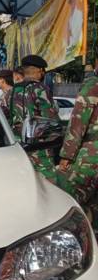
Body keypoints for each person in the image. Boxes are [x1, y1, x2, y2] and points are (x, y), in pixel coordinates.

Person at [10, 54, 60, 182]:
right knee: (49, 185)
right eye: (43, 71)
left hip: (18, 145)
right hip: (39, 147)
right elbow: (51, 119)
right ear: (39, 71)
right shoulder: (40, 89)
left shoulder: (13, 90)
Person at [58, 65, 98, 219]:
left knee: (71, 200)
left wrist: (67, 156)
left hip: (91, 154)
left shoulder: (92, 86)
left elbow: (77, 123)